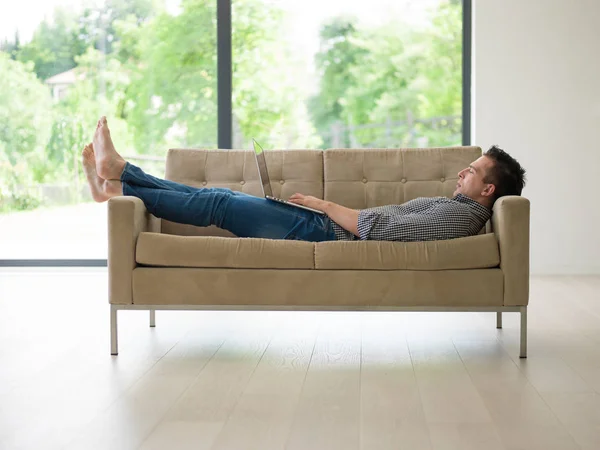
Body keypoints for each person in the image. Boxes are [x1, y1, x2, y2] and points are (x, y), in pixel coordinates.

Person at [83, 116, 526, 242]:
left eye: (473, 171)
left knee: (219, 204)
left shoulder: (460, 219)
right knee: (217, 194)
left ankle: (119, 176)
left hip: (326, 232)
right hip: (323, 226)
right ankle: (117, 183)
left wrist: (321, 205)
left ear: (489, 190)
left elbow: (381, 228)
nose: (462, 170)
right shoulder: (458, 207)